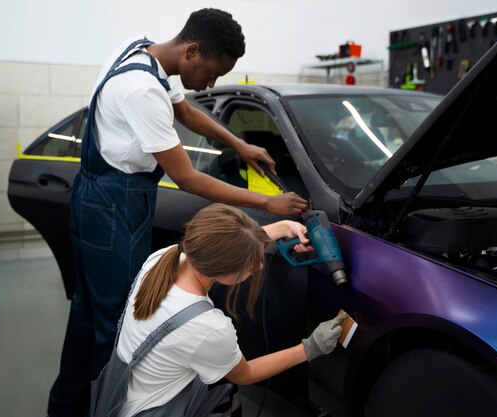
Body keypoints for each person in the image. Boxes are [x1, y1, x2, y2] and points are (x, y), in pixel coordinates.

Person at [48, 8, 307, 417]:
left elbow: (185, 111)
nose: (211, 83)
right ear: (192, 50)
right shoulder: (141, 90)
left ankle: (64, 407)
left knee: (87, 311)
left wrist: (238, 145)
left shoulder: (140, 54)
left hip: (97, 197)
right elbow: (186, 178)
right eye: (211, 72)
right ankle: (105, 407)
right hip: (115, 205)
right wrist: (267, 204)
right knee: (111, 325)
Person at [91, 204, 346, 417]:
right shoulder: (207, 327)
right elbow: (245, 374)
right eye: (250, 265)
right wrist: (309, 348)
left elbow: (224, 244)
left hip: (120, 395)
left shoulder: (163, 258)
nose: (258, 266)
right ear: (225, 272)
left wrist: (282, 228)